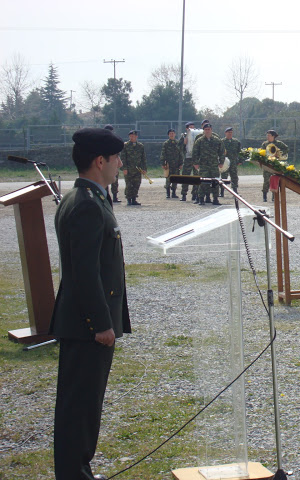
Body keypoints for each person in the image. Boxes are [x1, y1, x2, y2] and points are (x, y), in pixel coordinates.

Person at [50, 127, 131, 480]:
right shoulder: (85, 204)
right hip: (86, 327)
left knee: (83, 405)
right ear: (100, 161)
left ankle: (77, 469)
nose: (119, 165)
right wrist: (101, 324)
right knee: (79, 407)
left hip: (83, 324)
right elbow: (84, 274)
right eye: (116, 159)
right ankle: (73, 473)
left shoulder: (88, 198)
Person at [192, 123, 224, 205]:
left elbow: (221, 152)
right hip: (203, 165)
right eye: (206, 130)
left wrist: (221, 162)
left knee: (215, 182)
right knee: (203, 182)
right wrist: (195, 163)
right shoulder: (199, 141)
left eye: (209, 129)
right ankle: (201, 199)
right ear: (204, 130)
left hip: (214, 165)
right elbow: (195, 152)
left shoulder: (217, 140)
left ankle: (215, 199)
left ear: (211, 130)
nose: (207, 131)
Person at [121, 130, 147, 205]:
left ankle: (134, 199)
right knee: (129, 184)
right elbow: (123, 157)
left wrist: (144, 168)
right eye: (130, 136)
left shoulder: (140, 146)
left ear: (136, 136)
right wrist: (124, 168)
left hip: (138, 169)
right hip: (129, 169)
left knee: (137, 184)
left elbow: (143, 158)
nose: (132, 137)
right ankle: (129, 199)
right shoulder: (125, 145)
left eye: (133, 136)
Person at [261, 129, 289, 201]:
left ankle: (274, 196)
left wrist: (279, 154)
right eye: (267, 135)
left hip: (276, 165)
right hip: (267, 165)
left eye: (269, 135)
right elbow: (262, 152)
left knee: (275, 180)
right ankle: (264, 196)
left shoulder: (279, 144)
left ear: (273, 136)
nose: (268, 137)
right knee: (266, 180)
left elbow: (286, 148)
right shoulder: (264, 144)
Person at [179, 121, 202, 202]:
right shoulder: (184, 136)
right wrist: (184, 144)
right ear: (187, 129)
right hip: (188, 159)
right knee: (186, 176)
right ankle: (184, 194)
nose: (192, 129)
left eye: (193, 127)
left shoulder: (198, 135)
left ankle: (195, 194)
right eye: (190, 127)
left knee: (196, 177)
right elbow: (179, 149)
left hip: (195, 159)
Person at [161, 128, 183, 199]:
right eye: (170, 133)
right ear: (168, 135)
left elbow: (180, 154)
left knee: (175, 179)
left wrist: (180, 163)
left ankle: (173, 193)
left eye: (173, 133)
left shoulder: (177, 143)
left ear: (175, 134)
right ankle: (168, 193)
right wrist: (163, 163)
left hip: (176, 164)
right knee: (168, 179)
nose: (171, 135)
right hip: (168, 164)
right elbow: (163, 154)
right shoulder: (166, 144)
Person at [221, 127, 242, 194]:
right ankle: (222, 191)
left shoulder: (236, 142)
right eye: (228, 132)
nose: (230, 134)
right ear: (225, 133)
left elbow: (239, 152)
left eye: (231, 132)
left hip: (233, 162)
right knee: (224, 177)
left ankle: (235, 191)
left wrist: (240, 160)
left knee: (234, 177)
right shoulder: (222, 142)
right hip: (225, 162)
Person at [103, 124, 121, 202]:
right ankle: (105, 196)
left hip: (113, 163)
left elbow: (117, 154)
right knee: (105, 182)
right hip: (105, 164)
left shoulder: (114, 141)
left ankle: (114, 197)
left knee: (115, 181)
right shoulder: (101, 142)